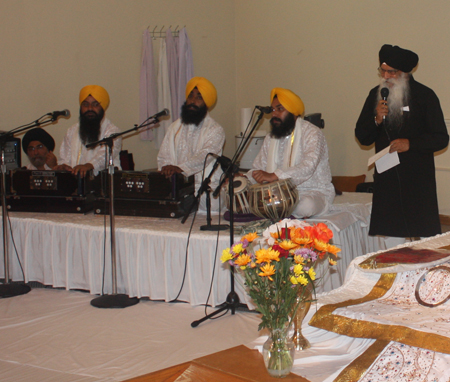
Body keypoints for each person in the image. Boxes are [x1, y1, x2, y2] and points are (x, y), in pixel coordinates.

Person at [355, 44, 449, 242]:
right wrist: (376, 120)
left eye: (392, 72)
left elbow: (441, 137)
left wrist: (410, 144)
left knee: (424, 243)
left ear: (405, 72)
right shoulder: (375, 95)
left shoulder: (425, 96)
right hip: (387, 179)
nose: (386, 76)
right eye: (383, 70)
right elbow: (362, 136)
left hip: (417, 180)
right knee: (390, 240)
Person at [247, 88, 335, 218]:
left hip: (312, 192)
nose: (274, 114)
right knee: (245, 201)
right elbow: (259, 167)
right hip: (277, 195)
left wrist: (275, 176)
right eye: (272, 110)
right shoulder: (271, 137)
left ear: (294, 111)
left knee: (305, 207)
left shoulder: (312, 133)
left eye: (280, 109)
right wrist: (246, 178)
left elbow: (308, 165)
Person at [157, 76, 225, 212]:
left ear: (207, 102)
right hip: (179, 192)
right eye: (190, 96)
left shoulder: (215, 130)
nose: (193, 101)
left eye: (199, 97)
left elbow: (205, 157)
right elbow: (164, 157)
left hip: (207, 194)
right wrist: (167, 168)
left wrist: (180, 168)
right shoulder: (174, 128)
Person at [56, 85, 122, 177]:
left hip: (103, 184)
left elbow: (104, 156)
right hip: (75, 184)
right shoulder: (72, 131)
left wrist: (89, 166)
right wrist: (63, 166)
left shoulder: (112, 131)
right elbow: (64, 158)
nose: (90, 108)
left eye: (95, 104)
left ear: (102, 107)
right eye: (85, 104)